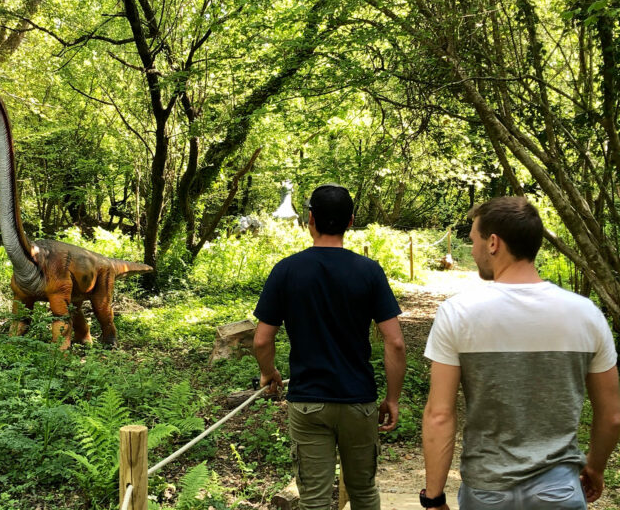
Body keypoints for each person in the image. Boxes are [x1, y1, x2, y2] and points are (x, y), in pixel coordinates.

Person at [421, 196, 620, 510]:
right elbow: (612, 416)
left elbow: (440, 414)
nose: (472, 251)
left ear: (493, 243)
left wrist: (433, 497)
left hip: (487, 492)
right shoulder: (586, 314)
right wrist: (594, 467)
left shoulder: (458, 313)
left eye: (474, 240)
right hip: (559, 491)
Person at [253, 183, 406, 510]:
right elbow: (395, 343)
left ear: (311, 219)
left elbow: (262, 339)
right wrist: (392, 398)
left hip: (308, 403)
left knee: (315, 501)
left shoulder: (286, 271)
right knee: (364, 492)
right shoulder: (369, 271)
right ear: (351, 221)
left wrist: (269, 372)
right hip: (359, 402)